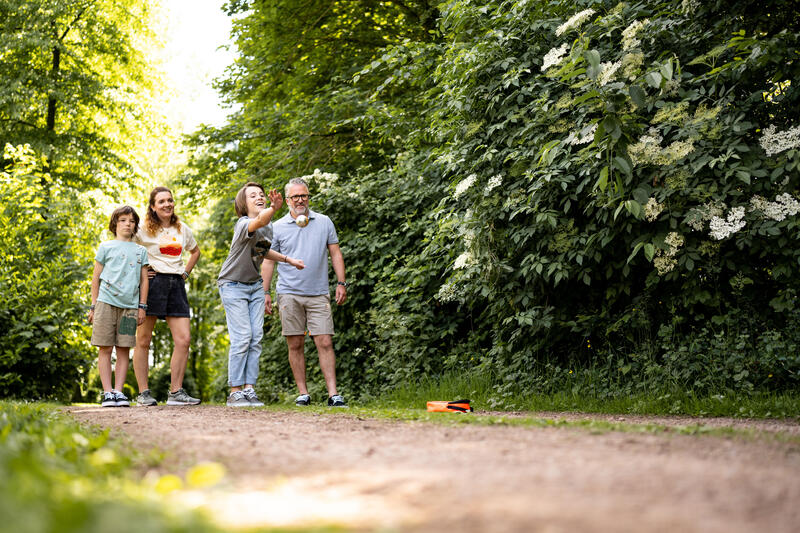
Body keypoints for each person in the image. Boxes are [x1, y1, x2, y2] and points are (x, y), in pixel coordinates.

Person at [262, 177, 349, 407]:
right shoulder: (277, 227)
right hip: (288, 293)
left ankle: (333, 394)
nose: (300, 200)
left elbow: (336, 253)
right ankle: (303, 393)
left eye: (304, 196)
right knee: (295, 343)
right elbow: (268, 261)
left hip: (319, 292)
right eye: (295, 196)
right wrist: (265, 292)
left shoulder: (324, 222)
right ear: (288, 200)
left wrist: (341, 283)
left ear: (308, 197)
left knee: (325, 341)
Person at [218, 182, 305, 407]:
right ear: (243, 204)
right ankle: (235, 391)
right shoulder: (243, 224)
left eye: (261, 194)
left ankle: (249, 388)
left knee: (256, 337)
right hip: (232, 285)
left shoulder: (268, 227)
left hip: (254, 286)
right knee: (242, 336)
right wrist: (274, 209)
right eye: (252, 195)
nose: (259, 197)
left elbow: (262, 252)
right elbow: (259, 221)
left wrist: (288, 260)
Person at [133, 186, 201, 406]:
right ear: (153, 206)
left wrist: (186, 272)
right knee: (143, 340)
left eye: (170, 200)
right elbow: (128, 251)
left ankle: (175, 392)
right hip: (152, 284)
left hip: (176, 284)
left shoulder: (182, 229)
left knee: (184, 340)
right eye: (161, 201)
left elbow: (196, 251)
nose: (167, 204)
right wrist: (141, 272)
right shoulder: (142, 229)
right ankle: (143, 393)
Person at [88, 206, 149, 407]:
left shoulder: (141, 251)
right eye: (123, 220)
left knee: (124, 349)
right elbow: (95, 278)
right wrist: (93, 306)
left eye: (131, 221)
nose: (127, 224)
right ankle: (107, 393)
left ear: (135, 226)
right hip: (105, 303)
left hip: (130, 308)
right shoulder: (106, 247)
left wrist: (142, 307)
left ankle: (119, 392)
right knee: (105, 348)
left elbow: (144, 280)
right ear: (115, 224)